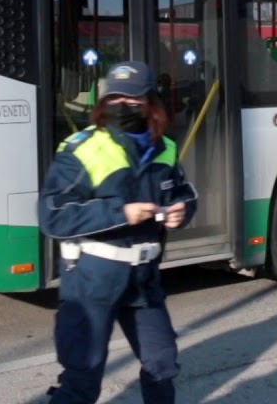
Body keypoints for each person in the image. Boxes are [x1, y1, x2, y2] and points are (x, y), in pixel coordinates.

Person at [39, 60, 198, 404]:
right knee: (82, 379)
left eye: (133, 99)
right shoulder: (81, 149)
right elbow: (53, 216)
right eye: (115, 99)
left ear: (150, 103)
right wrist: (121, 212)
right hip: (92, 278)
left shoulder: (165, 148)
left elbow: (183, 192)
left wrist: (181, 210)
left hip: (144, 280)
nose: (123, 106)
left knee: (162, 365)